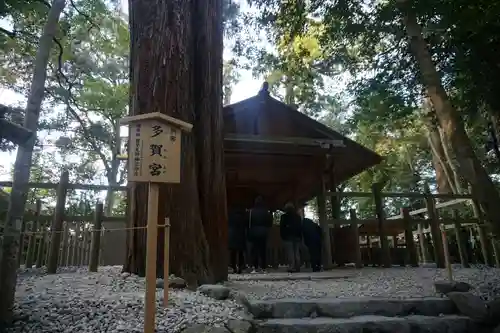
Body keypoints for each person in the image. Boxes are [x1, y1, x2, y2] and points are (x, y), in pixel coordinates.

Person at [247, 196, 273, 273]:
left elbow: (248, 222)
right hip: (263, 232)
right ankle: (263, 267)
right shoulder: (266, 212)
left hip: (254, 232)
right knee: (263, 250)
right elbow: (269, 222)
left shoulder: (251, 212)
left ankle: (255, 267)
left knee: (254, 250)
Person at [280, 202, 303, 272]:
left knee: (290, 252)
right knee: (296, 252)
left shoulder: (284, 217)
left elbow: (282, 228)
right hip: (297, 237)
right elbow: (300, 227)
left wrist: (283, 236)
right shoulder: (298, 217)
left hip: (288, 237)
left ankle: (292, 267)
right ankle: (298, 266)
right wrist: (300, 236)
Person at [228, 206, 247, 274]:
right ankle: (240, 266)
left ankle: (233, 266)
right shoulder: (243, 217)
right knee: (240, 253)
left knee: (233, 253)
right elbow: (246, 225)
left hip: (232, 236)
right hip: (241, 236)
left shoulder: (230, 217)